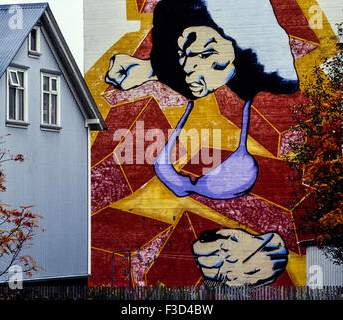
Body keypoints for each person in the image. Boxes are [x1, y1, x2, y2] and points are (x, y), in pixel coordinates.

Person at [104, 0, 297, 287]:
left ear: (235, 54)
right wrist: (145, 70)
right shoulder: (182, 78)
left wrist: (264, 252)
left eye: (204, 51)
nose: (188, 62)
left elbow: (298, 189)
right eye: (184, 53)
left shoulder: (266, 102)